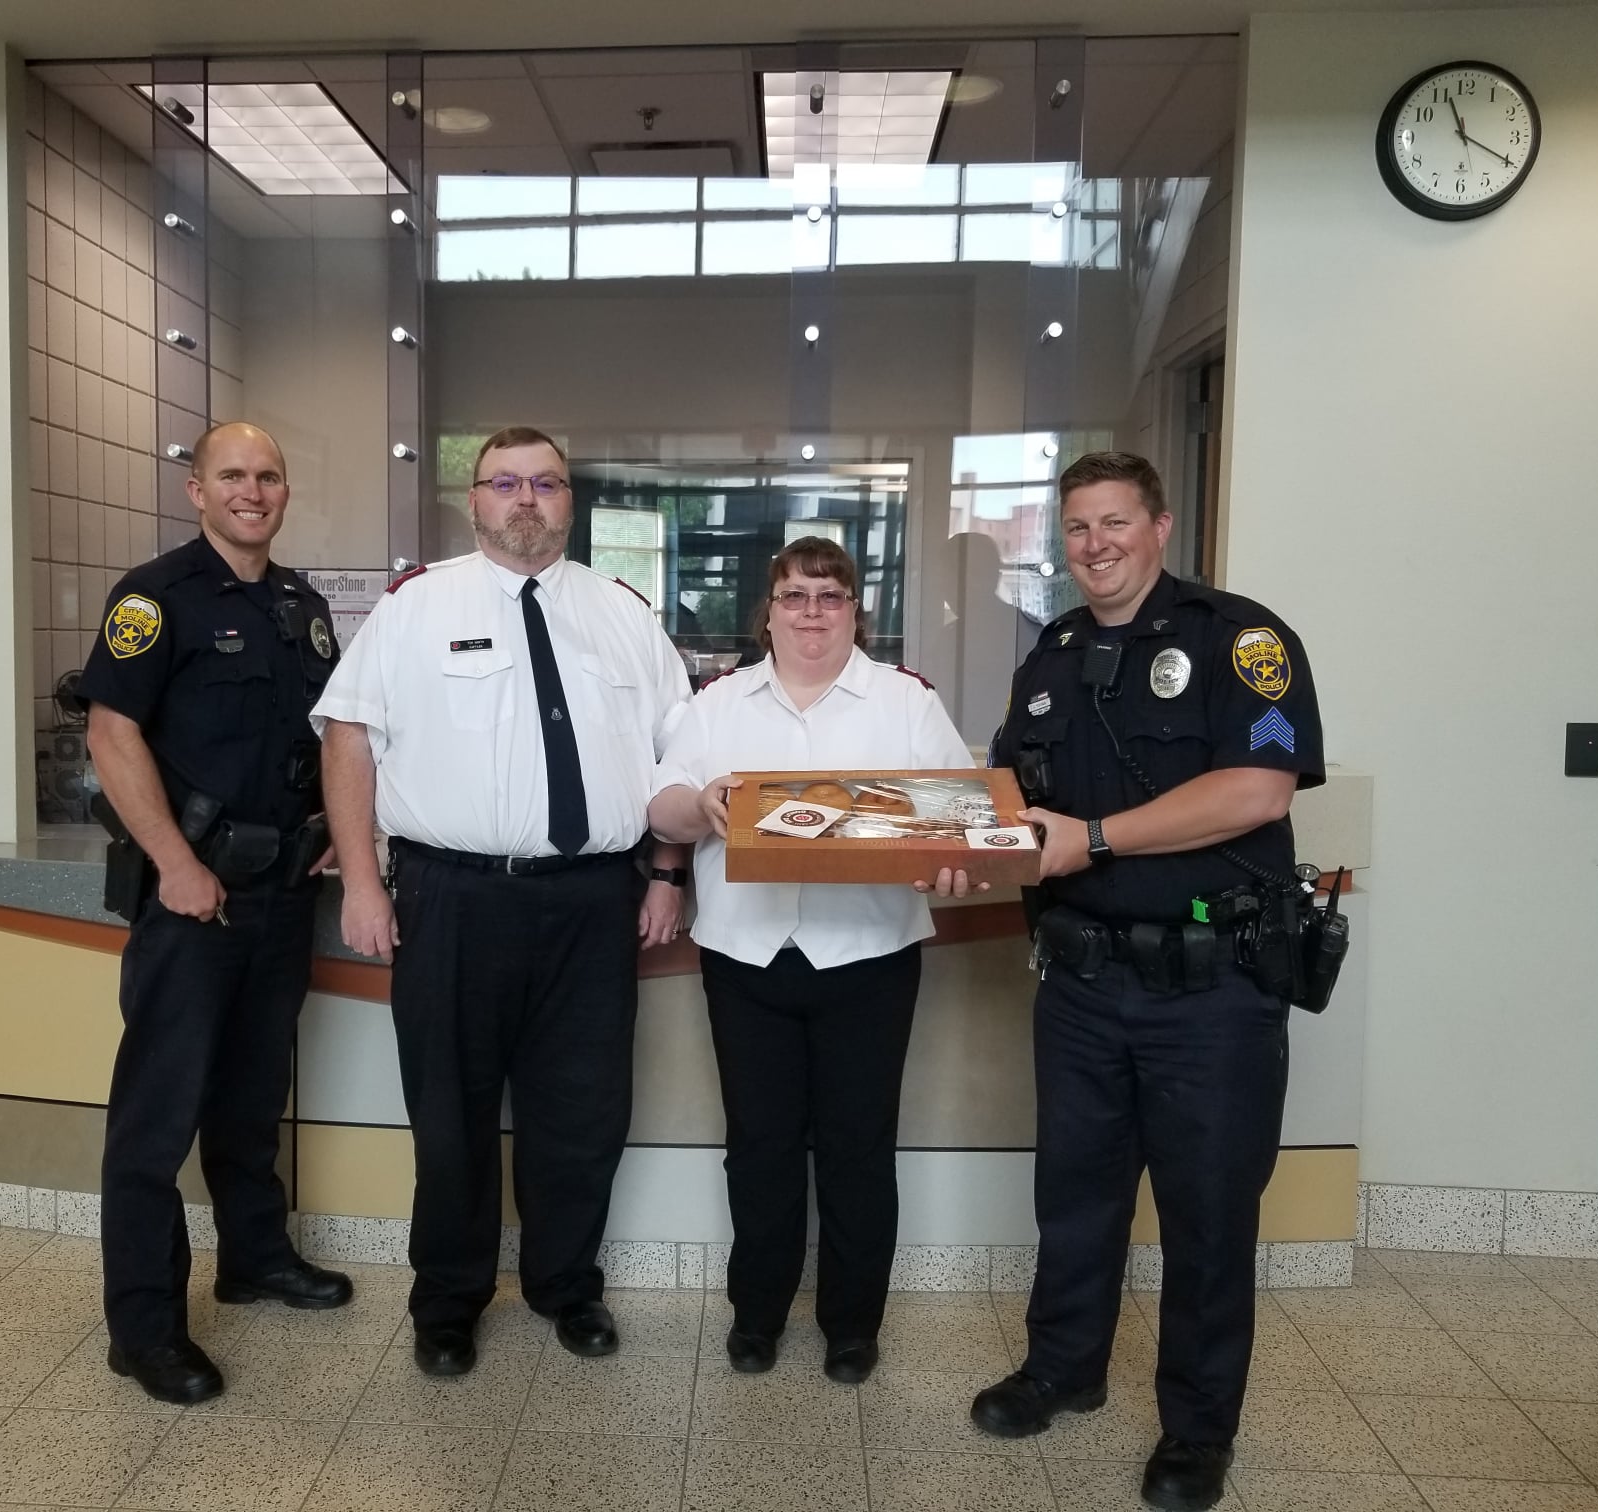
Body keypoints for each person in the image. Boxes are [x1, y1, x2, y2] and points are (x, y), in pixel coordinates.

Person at [970, 452, 1325, 1512]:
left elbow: (1259, 790)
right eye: (1078, 527)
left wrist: (1096, 838)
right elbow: (1007, 805)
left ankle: (1197, 1430)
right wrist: (962, 852)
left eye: (1115, 522)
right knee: (1074, 1198)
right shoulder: (1050, 659)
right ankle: (1063, 1369)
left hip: (1211, 993)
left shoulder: (1243, 641)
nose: (1096, 545)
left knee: (1208, 1216)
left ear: (1160, 527)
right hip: (1081, 984)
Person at [312, 425, 692, 1376]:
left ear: (570, 500)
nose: (526, 499)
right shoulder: (415, 606)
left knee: (583, 1111)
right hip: (452, 899)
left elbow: (680, 754)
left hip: (593, 902)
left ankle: (568, 1286)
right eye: (505, 483)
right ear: (473, 500)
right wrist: (362, 880)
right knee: (450, 1116)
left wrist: (666, 872)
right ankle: (448, 1301)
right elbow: (348, 737)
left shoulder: (623, 612)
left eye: (546, 483)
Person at [647, 536, 979, 1386]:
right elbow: (662, 806)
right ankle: (756, 1315)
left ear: (856, 611)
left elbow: (963, 813)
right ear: (768, 611)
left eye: (830, 597)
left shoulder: (904, 701)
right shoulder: (720, 703)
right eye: (794, 596)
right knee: (758, 1145)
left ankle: (852, 1326)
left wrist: (949, 854)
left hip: (867, 955)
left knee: (857, 1148)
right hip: (746, 956)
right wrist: (700, 801)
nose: (812, 613)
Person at [79, 421, 353, 1405]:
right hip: (192, 899)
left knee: (250, 1094)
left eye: (268, 476)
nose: (252, 490)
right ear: (196, 490)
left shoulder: (300, 605)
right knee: (157, 1118)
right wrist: (174, 861)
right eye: (232, 475)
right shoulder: (154, 598)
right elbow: (111, 733)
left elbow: (326, 737)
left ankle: (255, 1257)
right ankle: (143, 1327)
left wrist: (338, 830)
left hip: (281, 891)